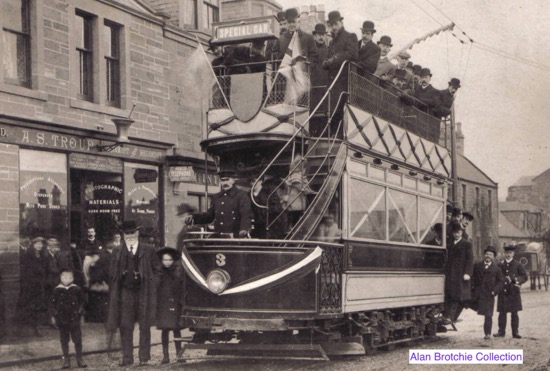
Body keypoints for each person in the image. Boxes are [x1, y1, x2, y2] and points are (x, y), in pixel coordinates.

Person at [106, 220, 161, 366]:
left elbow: (157, 270)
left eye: (132, 232)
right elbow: (112, 273)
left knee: (144, 325)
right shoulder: (117, 251)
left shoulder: (148, 249)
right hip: (125, 293)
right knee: (125, 325)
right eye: (127, 233)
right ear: (123, 235)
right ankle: (127, 357)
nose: (130, 235)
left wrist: (153, 284)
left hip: (144, 292)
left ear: (137, 233)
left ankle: (144, 358)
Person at [185, 170, 253, 238]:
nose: (225, 183)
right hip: (219, 238)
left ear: (233, 180)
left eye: (227, 180)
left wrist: (244, 230)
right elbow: (210, 216)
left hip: (234, 238)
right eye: (222, 180)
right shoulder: (217, 197)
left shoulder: (241, 196)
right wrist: (194, 218)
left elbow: (246, 215)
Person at [49, 269, 87, 369]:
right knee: (64, 340)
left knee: (77, 339)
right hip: (62, 319)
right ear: (60, 278)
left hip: (74, 318)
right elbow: (52, 305)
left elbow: (83, 302)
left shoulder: (76, 289)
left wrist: (80, 312)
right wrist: (54, 315)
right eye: (64, 277)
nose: (67, 279)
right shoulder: (57, 290)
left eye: (70, 277)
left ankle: (79, 359)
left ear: (73, 278)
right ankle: (66, 359)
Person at [156, 247, 185, 364]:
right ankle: (165, 356)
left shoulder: (178, 272)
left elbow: (181, 288)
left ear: (173, 260)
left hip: (175, 303)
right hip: (163, 303)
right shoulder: (159, 273)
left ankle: (179, 355)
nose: (167, 262)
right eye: (165, 260)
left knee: (176, 329)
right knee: (165, 329)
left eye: (169, 260)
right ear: (161, 260)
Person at [471, 245, 504, 339]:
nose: (488, 256)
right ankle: (450, 318)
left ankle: (487, 333)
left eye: (490, 254)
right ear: (484, 255)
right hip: (476, 294)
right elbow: (472, 277)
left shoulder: (497, 269)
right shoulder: (477, 266)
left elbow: (500, 282)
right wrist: (471, 288)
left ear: (493, 257)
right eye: (486, 254)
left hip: (488, 294)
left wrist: (494, 291)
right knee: (462, 301)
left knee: (488, 315)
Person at [494, 245, 528, 338]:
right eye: (507, 253)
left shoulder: (518, 264)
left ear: (513, 254)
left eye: (510, 253)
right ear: (504, 253)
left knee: (514, 313)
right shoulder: (500, 265)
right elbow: (496, 276)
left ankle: (515, 332)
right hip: (503, 292)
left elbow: (524, 277)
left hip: (513, 291)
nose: (508, 255)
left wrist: (515, 279)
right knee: (502, 312)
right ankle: (501, 331)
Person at [444, 222, 473, 324]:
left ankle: (451, 317)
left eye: (458, 232)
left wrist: (468, 273)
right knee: (449, 294)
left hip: (460, 274)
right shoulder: (449, 243)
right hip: (450, 273)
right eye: (454, 233)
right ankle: (447, 316)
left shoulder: (466, 244)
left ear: (461, 232)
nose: (456, 234)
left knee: (457, 296)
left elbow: (470, 259)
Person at [18, 236, 47, 337]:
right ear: (33, 245)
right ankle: (20, 329)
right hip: (29, 285)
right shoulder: (28, 255)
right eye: (37, 244)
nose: (39, 246)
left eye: (41, 244)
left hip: (39, 285)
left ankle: (36, 328)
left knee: (37, 307)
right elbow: (26, 270)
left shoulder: (43, 255)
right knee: (26, 306)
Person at [251, 173, 287, 239]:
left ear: (260, 181)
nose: (252, 184)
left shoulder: (269, 192)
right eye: (250, 181)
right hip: (257, 226)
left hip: (270, 225)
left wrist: (263, 211)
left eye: (254, 181)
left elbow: (277, 208)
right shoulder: (249, 194)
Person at [45, 236, 61, 327]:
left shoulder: (55, 256)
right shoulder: (47, 257)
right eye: (53, 247)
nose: (56, 249)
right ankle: (51, 321)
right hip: (49, 282)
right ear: (48, 247)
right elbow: (51, 270)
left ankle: (53, 320)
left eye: (56, 247)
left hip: (54, 281)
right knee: (51, 301)